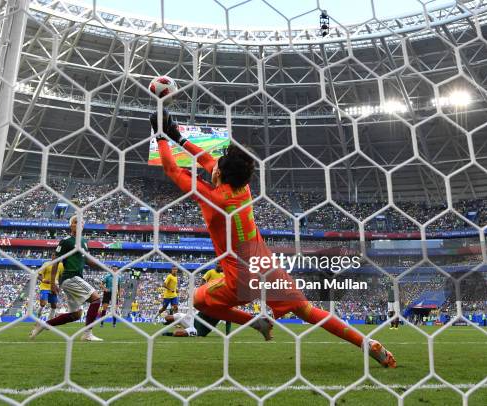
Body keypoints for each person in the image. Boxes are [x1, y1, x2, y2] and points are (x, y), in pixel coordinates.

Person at [150, 110, 396, 368]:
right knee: (308, 311)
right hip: (266, 267)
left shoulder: (215, 200)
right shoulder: (242, 188)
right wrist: (177, 137)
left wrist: (160, 136)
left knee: (199, 300)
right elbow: (208, 161)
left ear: (220, 175)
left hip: (241, 280)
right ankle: (367, 343)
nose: (213, 164)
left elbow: (172, 169)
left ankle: (254, 321)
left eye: (218, 165)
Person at [30, 215, 103, 341]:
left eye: (80, 222)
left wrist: (102, 265)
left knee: (76, 315)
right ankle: (87, 334)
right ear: (71, 226)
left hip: (74, 279)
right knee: (96, 299)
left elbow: (87, 261)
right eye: (75, 222)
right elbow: (56, 262)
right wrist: (53, 282)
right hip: (71, 277)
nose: (78, 224)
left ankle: (44, 325)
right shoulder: (66, 241)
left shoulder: (84, 242)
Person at [202, 264, 232, 334]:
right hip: (210, 296)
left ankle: (228, 332)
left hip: (219, 297)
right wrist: (203, 288)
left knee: (228, 313)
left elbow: (225, 285)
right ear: (216, 266)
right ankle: (204, 327)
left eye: (221, 267)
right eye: (219, 267)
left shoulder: (222, 275)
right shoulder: (210, 272)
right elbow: (203, 279)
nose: (220, 268)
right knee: (208, 313)